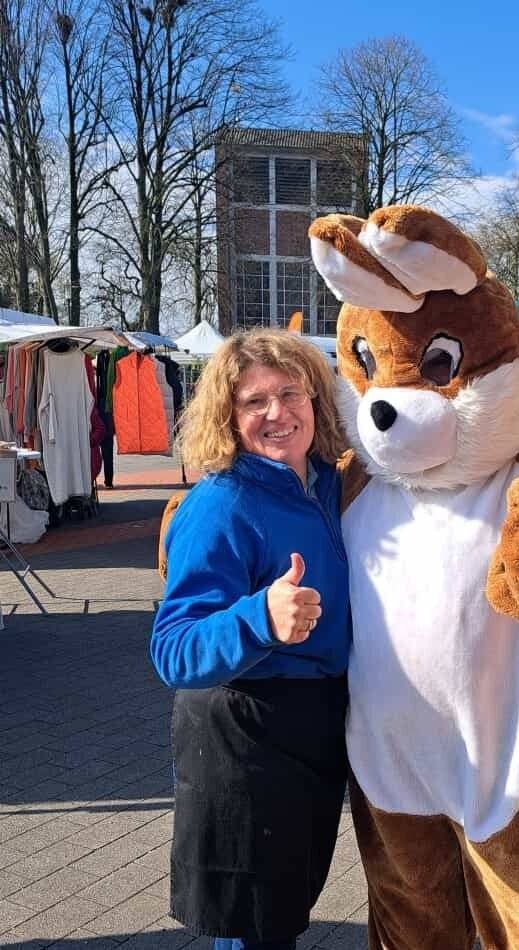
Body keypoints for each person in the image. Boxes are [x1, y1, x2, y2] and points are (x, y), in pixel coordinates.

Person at [150, 330, 350, 950]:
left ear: (316, 399)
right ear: (228, 418)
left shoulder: (330, 484)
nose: (276, 413)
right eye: (254, 402)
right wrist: (258, 616)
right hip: (243, 735)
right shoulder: (221, 503)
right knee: (250, 925)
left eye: (290, 393)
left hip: (313, 725)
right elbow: (173, 649)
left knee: (284, 909)